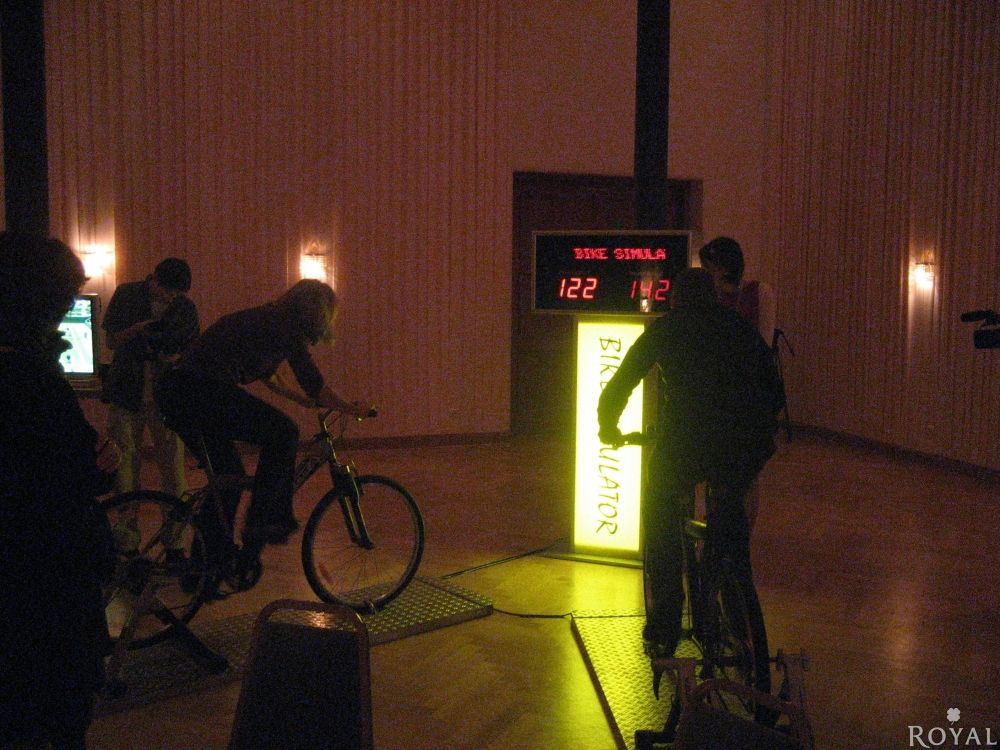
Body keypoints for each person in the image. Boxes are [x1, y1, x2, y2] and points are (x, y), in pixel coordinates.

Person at [597, 268, 783, 656]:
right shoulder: (739, 327)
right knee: (730, 517)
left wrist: (609, 427)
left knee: (661, 511)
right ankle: (735, 607)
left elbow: (622, 382)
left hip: (687, 440)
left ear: (675, 298)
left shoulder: (668, 328)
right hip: (744, 443)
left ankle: (665, 622)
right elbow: (774, 387)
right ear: (713, 296)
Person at [0, 231, 120, 749]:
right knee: (55, 710)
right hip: (45, 580)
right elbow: (76, 472)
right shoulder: (31, 379)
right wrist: (101, 463)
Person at [155, 279, 372, 553]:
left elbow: (273, 378)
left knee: (229, 476)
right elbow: (313, 381)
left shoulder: (271, 320)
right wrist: (351, 408)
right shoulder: (286, 326)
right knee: (284, 432)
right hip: (199, 389)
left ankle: (210, 559)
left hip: (179, 389)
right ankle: (263, 522)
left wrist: (305, 401)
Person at [698, 236, 777, 530]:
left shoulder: (759, 293)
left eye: (709, 267)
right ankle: (719, 528)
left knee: (746, 474)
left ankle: (742, 533)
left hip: (747, 393)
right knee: (717, 469)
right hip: (718, 392)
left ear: (721, 267)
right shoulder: (711, 298)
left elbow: (764, 343)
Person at [102, 258, 199, 498]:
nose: (171, 298)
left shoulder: (185, 307)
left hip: (167, 394)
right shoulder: (126, 295)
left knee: (172, 465)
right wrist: (137, 329)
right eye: (169, 291)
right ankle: (125, 518)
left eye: (177, 294)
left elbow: (193, 350)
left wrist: (174, 357)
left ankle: (175, 519)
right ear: (154, 280)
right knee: (123, 464)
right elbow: (111, 341)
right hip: (126, 389)